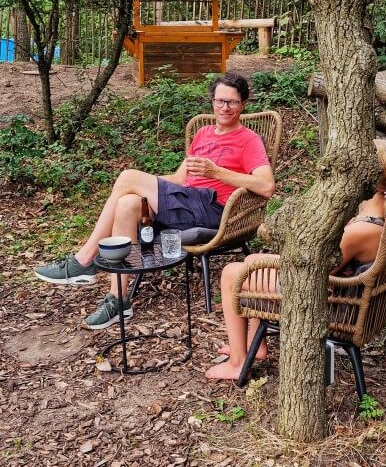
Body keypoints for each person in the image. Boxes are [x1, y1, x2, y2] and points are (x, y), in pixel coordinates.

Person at [34, 72, 275, 329]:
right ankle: (119, 300)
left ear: (243, 104)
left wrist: (215, 172)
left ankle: (84, 261)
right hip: (185, 202)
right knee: (127, 202)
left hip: (213, 210)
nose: (224, 107)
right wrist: (144, 184)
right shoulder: (203, 134)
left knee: (127, 177)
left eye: (232, 102)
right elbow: (178, 180)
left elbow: (267, 186)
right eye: (219, 101)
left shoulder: (249, 140)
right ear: (212, 101)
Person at [205, 138, 386, 381]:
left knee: (231, 274)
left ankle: (236, 362)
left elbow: (317, 268)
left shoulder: (361, 230)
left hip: (329, 302)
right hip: (346, 294)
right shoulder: (384, 214)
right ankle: (257, 347)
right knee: (253, 260)